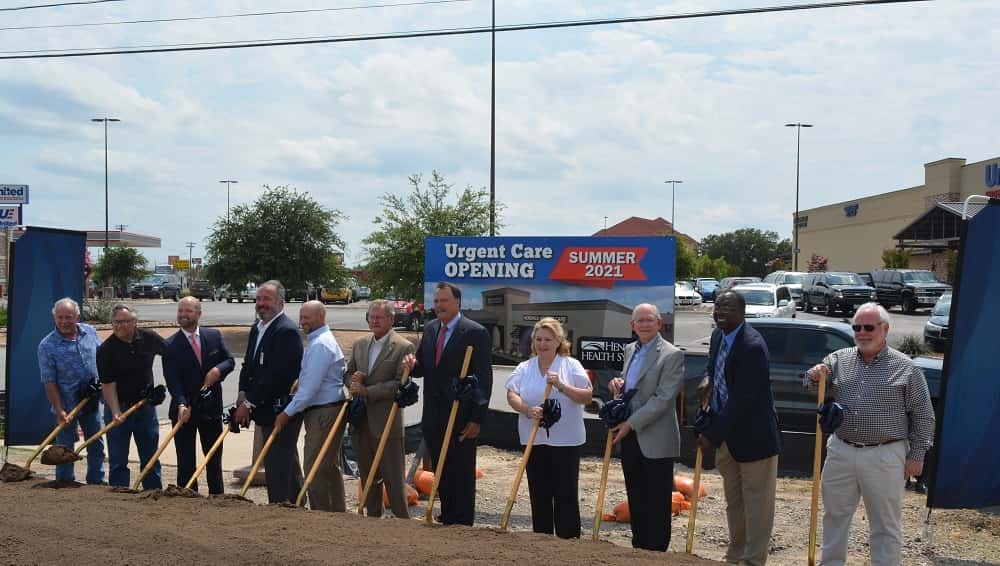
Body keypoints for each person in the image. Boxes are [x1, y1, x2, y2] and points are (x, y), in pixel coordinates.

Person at [807, 302, 934, 566]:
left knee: (885, 525)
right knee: (834, 516)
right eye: (857, 327)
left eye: (869, 327)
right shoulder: (838, 360)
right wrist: (813, 375)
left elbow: (923, 415)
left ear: (885, 330)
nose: (862, 332)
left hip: (885, 454)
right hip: (841, 450)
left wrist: (917, 455)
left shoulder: (906, 368)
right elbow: (810, 383)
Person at [696, 290, 781, 566]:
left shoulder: (752, 346)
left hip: (754, 438)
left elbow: (742, 401)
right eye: (718, 306)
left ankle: (753, 560)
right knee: (735, 503)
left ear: (742, 312)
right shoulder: (718, 336)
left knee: (758, 506)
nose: (721, 312)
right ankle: (735, 556)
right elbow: (713, 367)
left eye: (728, 308)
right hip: (727, 439)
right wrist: (707, 379)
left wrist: (711, 436)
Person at [403, 282, 492, 526]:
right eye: (436, 301)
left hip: (461, 414)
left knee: (460, 469)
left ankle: (462, 522)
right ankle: (447, 515)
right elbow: (424, 368)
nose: (439, 306)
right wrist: (412, 365)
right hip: (433, 413)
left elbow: (484, 378)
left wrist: (477, 418)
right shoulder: (431, 329)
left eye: (444, 301)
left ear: (457, 303)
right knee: (441, 468)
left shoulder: (474, 332)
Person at [505, 317, 592, 538]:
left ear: (558, 341)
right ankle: (541, 540)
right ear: (533, 342)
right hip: (534, 439)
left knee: (565, 492)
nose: (542, 344)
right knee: (539, 491)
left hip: (566, 441)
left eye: (548, 339)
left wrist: (562, 386)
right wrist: (526, 409)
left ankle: (569, 540)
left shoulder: (570, 365)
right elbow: (512, 394)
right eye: (538, 339)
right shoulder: (525, 367)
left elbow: (587, 396)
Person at [608, 303, 684, 551]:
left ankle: (656, 553)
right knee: (637, 496)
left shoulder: (672, 355)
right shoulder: (630, 350)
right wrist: (618, 386)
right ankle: (639, 549)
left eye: (649, 320)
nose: (644, 324)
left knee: (658, 501)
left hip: (655, 438)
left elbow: (663, 399)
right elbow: (632, 389)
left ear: (659, 323)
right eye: (639, 321)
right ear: (632, 325)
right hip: (630, 436)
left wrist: (631, 423)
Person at [234, 280, 304, 504]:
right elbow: (249, 365)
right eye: (259, 299)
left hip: (281, 409)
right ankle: (297, 502)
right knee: (286, 460)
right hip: (261, 407)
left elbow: (275, 375)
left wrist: (250, 403)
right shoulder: (257, 327)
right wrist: (242, 393)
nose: (261, 304)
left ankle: (280, 509)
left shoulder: (287, 331)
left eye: (267, 299)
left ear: (280, 303)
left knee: (277, 464)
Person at [273, 300, 347, 511]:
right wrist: (300, 380)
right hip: (324, 409)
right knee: (328, 467)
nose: (302, 321)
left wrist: (286, 413)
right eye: (301, 317)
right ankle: (337, 514)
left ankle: (321, 515)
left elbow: (309, 391)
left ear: (321, 317)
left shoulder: (321, 344)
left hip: (324, 411)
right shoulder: (318, 341)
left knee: (314, 468)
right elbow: (311, 380)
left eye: (307, 317)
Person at [347, 299, 415, 518]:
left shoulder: (403, 346)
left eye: (379, 317)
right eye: (371, 317)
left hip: (386, 422)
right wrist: (353, 382)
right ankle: (373, 520)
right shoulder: (359, 344)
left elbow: (399, 383)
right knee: (368, 477)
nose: (374, 321)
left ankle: (402, 521)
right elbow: (348, 373)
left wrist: (369, 391)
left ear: (391, 319)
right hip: (361, 421)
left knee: (394, 478)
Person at [162, 296, 235, 494]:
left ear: (199, 314)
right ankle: (188, 497)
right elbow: (173, 380)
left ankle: (217, 497)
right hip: (183, 412)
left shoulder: (213, 336)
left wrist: (218, 371)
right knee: (185, 462)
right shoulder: (169, 345)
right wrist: (181, 404)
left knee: (213, 459)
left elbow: (230, 361)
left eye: (188, 311)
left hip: (210, 410)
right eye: (180, 311)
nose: (183, 315)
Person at [97, 304, 166, 489]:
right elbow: (108, 383)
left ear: (134, 322)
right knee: (118, 459)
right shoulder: (106, 349)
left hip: (145, 406)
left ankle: (153, 493)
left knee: (150, 456)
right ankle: (120, 495)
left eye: (125, 322)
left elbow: (170, 353)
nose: (120, 326)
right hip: (119, 407)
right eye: (116, 322)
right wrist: (116, 411)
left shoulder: (148, 338)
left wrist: (161, 388)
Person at [38, 297, 105, 484]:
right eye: (60, 317)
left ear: (77, 317)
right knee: (64, 449)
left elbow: (101, 356)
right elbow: (49, 382)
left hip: (90, 401)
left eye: (68, 317)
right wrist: (59, 410)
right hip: (66, 406)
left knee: (96, 445)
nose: (64, 321)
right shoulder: (47, 346)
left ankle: (96, 482)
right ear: (54, 319)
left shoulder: (90, 332)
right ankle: (65, 483)